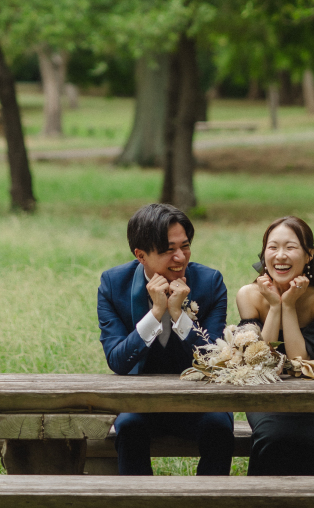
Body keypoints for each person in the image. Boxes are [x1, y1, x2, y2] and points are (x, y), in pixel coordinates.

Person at [97, 202, 234, 476]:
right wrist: (156, 312)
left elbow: (214, 360)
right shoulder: (114, 284)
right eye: (168, 250)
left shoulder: (210, 282)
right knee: (128, 428)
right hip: (141, 403)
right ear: (141, 256)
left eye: (185, 246)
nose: (180, 257)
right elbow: (118, 361)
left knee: (219, 426)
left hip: (200, 402)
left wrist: (178, 315)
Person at [236, 215, 314, 476]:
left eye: (290, 247)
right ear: (264, 254)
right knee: (273, 438)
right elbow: (261, 360)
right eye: (272, 247)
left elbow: (301, 362)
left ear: (309, 255)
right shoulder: (248, 295)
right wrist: (274, 305)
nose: (280, 255)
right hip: (267, 395)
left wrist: (289, 305)